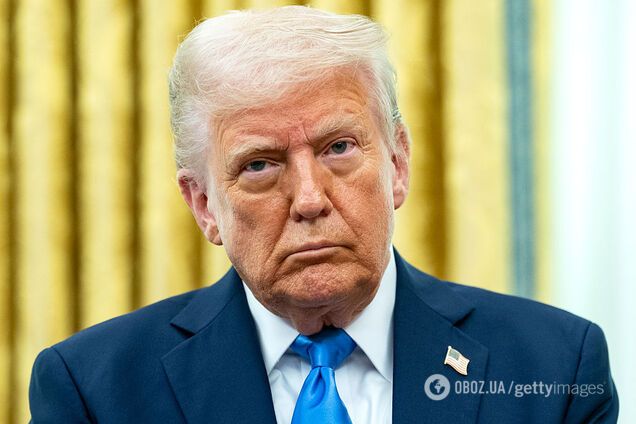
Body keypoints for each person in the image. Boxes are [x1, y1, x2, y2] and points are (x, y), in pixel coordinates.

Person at [29, 6, 618, 423]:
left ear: (398, 164)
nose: (310, 199)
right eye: (260, 164)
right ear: (204, 204)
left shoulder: (555, 368)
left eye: (338, 148)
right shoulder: (94, 391)